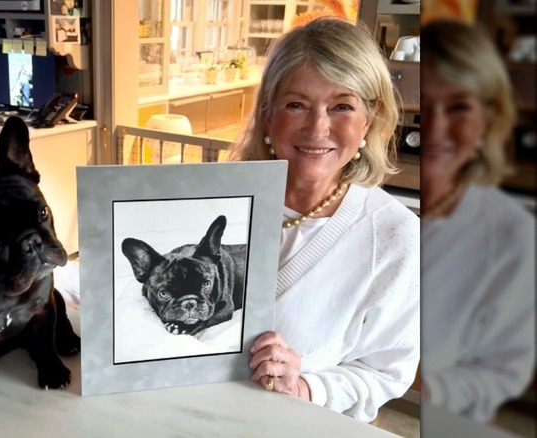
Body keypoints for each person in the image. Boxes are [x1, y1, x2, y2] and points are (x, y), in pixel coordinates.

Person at [227, 17, 420, 423]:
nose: (317, 128)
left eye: (342, 106)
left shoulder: (393, 234)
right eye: (296, 104)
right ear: (267, 114)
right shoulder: (216, 202)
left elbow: (385, 372)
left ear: (370, 118)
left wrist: (304, 387)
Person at [420, 18, 535, 425]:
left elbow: (503, 372)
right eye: (423, 103)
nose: (435, 127)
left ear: (490, 117)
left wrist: (423, 387)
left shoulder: (511, 234)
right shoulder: (374, 205)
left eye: (458, 107)